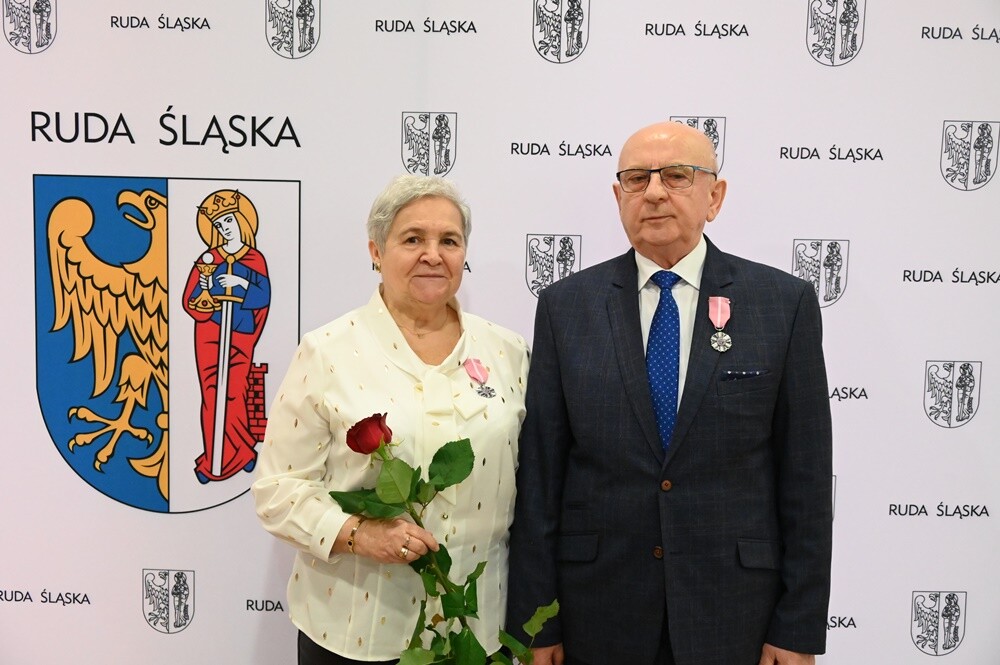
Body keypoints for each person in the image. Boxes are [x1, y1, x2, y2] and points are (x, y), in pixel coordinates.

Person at [506, 121, 833, 665]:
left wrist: (798, 627)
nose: (654, 192)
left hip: (736, 614)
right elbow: (541, 478)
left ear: (715, 196)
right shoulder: (567, 306)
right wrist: (536, 622)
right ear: (619, 197)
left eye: (677, 176)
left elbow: (807, 481)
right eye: (637, 178)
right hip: (598, 613)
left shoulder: (782, 303)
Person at [252, 175, 530, 664]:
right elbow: (278, 491)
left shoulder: (507, 351)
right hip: (356, 629)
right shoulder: (327, 351)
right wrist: (360, 535)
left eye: (449, 241)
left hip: (478, 628)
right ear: (376, 252)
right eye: (413, 239)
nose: (433, 255)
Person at [183, 189, 270, 484]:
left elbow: (263, 296)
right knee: (211, 393)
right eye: (219, 225)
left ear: (241, 221)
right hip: (210, 333)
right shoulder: (208, 258)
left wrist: (240, 282)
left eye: (229, 221)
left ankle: (241, 452)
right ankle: (213, 460)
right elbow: (191, 300)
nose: (225, 229)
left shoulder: (254, 259)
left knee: (235, 391)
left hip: (240, 333)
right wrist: (206, 290)